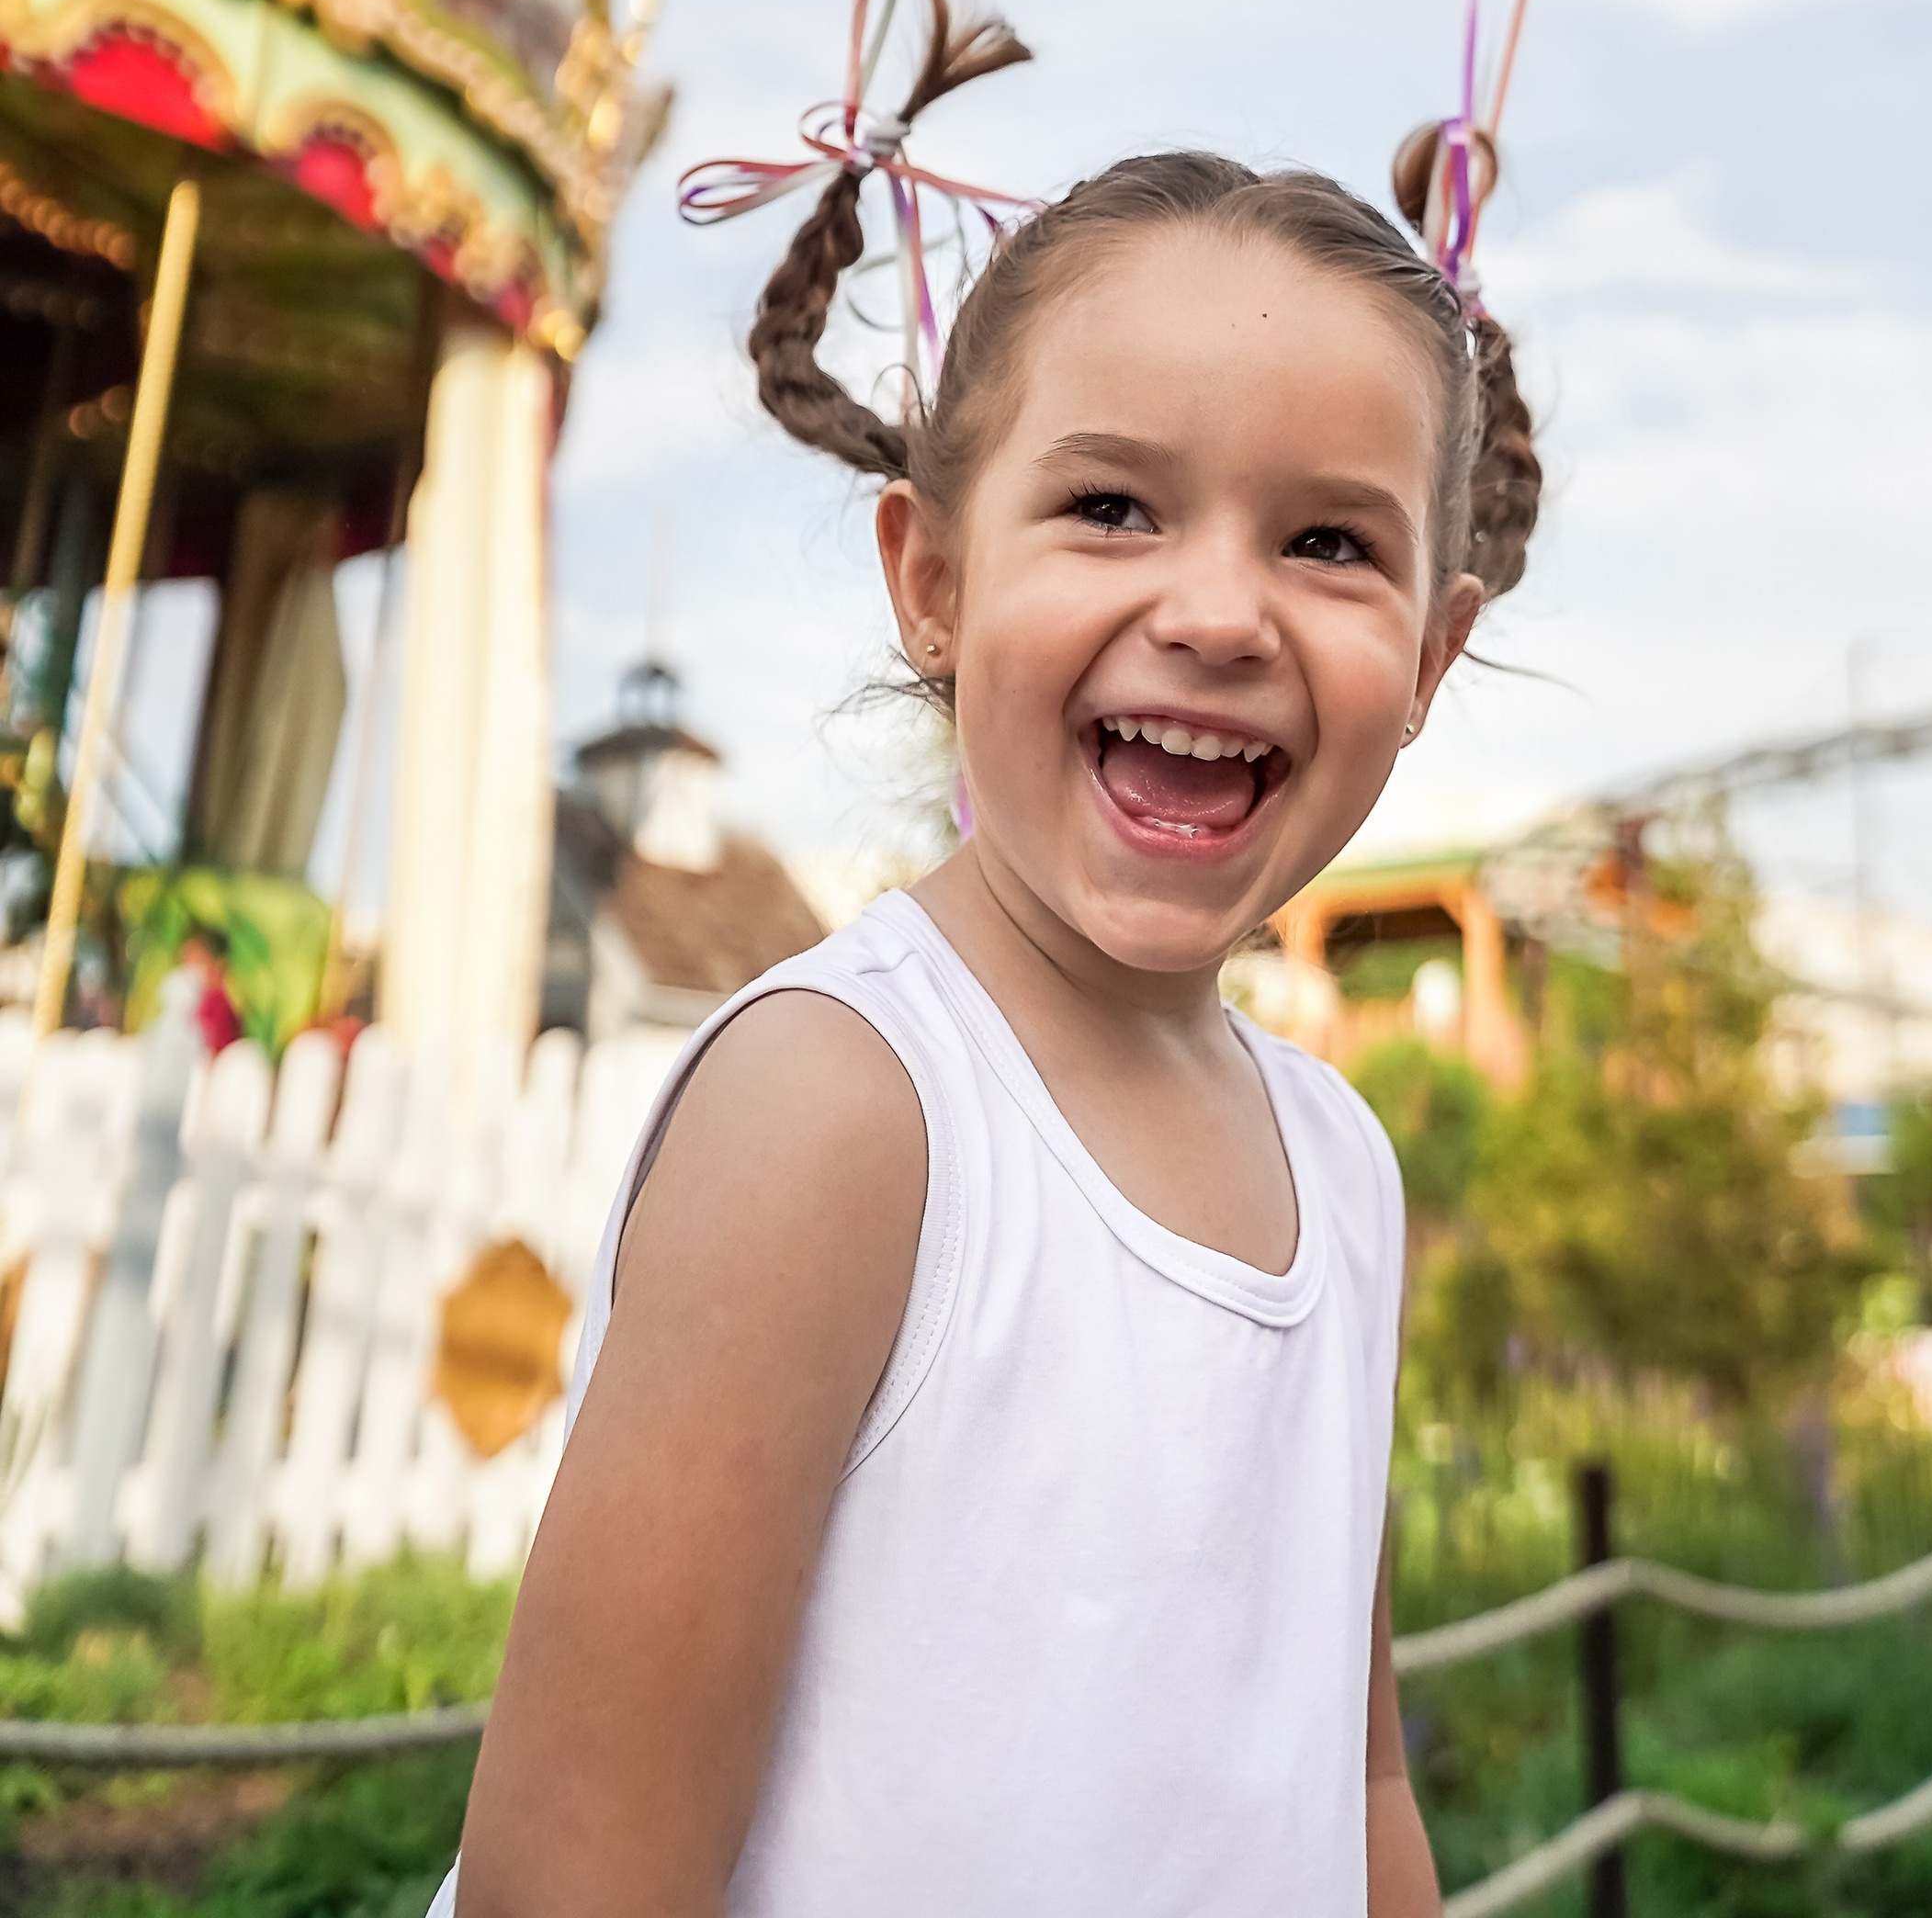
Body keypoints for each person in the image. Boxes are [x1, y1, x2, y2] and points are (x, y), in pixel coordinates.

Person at [445, 143, 1542, 1918]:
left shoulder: (1343, 1165)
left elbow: (1357, 1781)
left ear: (1429, 653)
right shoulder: (846, 1110)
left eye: (1330, 541)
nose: (1214, 612)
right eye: (1113, 506)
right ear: (931, 576)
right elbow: (571, 1880)